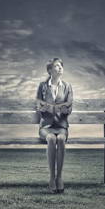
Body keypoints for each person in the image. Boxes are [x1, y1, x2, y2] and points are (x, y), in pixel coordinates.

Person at [36, 58, 73, 193]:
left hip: (62, 126)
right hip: (46, 127)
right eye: (56, 66)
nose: (60, 68)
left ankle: (59, 177)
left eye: (61, 66)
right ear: (50, 70)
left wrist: (64, 109)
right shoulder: (42, 86)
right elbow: (38, 105)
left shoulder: (67, 86)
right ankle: (52, 178)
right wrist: (45, 108)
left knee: (61, 139)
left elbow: (69, 107)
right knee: (51, 138)